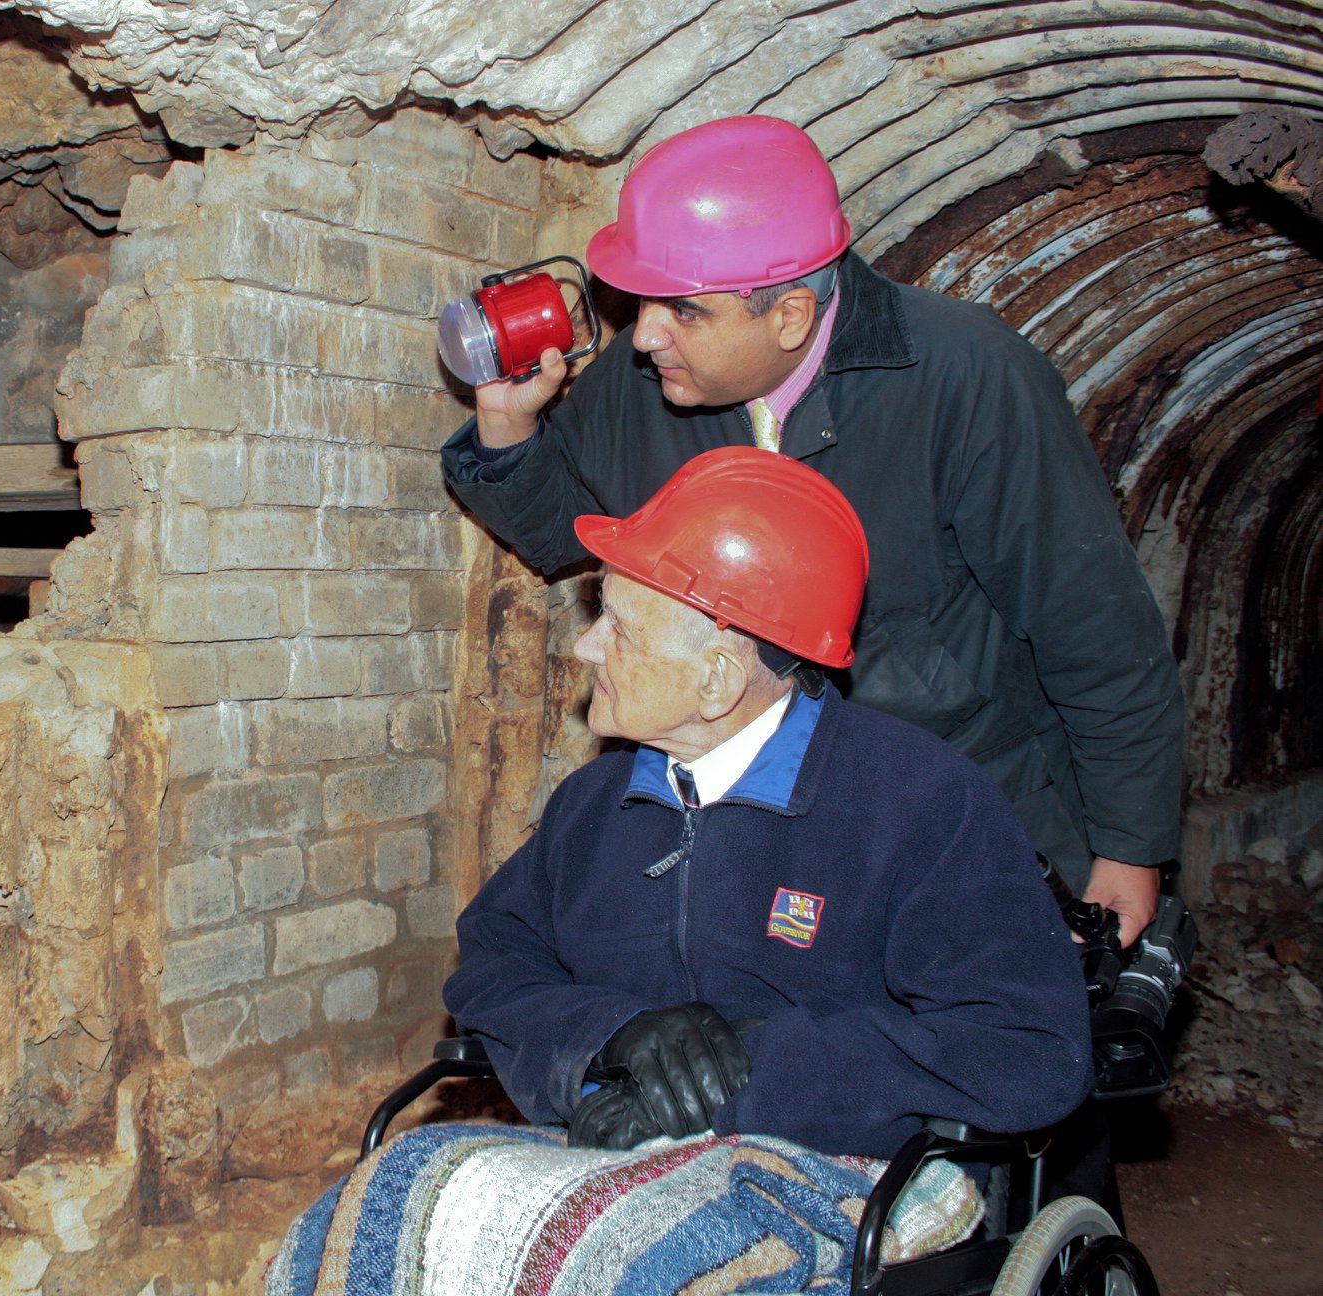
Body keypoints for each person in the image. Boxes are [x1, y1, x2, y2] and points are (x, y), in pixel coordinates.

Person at [440, 114, 1183, 953]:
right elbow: (563, 531)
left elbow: (1092, 623)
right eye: (645, 302)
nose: (645, 333)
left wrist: (1129, 847)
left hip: (953, 799)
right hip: (750, 813)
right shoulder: (642, 381)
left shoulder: (964, 377)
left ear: (791, 314)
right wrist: (507, 431)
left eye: (682, 309)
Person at [441, 447, 1093, 1157]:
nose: (589, 646)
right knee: (392, 1194)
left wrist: (744, 1078)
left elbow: (1028, 1050)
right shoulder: (594, 805)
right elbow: (494, 962)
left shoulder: (923, 806)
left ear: (717, 681)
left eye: (618, 627)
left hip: (831, 1164)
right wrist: (610, 1037)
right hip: (609, 1154)